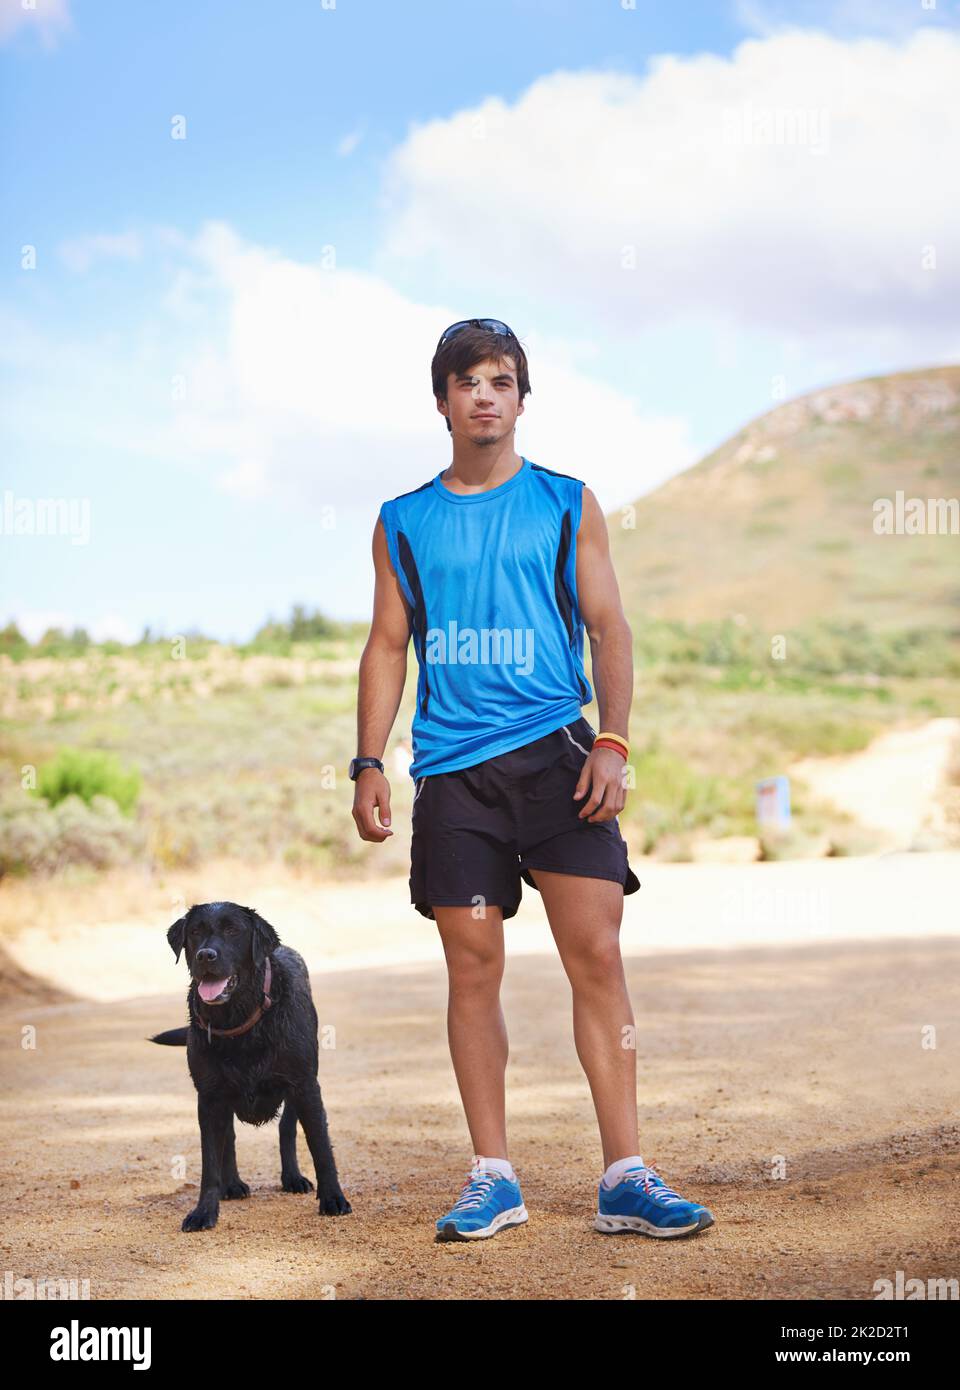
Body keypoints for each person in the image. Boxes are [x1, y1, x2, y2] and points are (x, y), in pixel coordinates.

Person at [351, 319, 714, 1242]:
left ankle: (626, 1176)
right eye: (467, 381)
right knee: (472, 970)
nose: (485, 395)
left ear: (521, 397)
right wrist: (366, 760)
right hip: (455, 778)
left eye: (502, 380)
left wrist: (615, 743)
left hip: (560, 761)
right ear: (441, 400)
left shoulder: (566, 502)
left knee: (596, 955)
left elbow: (611, 627)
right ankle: (494, 1177)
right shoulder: (403, 521)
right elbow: (388, 644)